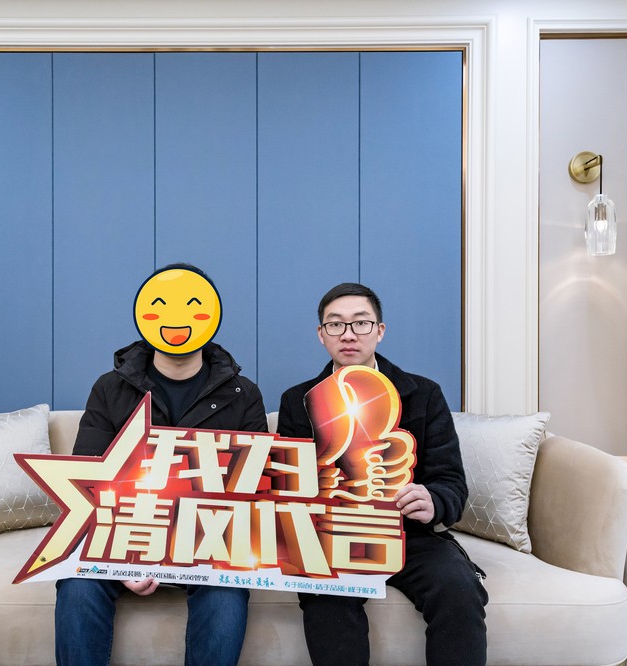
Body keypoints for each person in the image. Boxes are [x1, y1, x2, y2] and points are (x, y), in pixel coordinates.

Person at [54, 263, 269, 666]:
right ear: (144, 316)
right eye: (162, 305)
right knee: (77, 585)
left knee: (226, 593)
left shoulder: (244, 394)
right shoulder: (110, 388)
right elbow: (87, 479)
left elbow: (255, 490)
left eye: (191, 305)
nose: (176, 318)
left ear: (210, 317)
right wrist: (120, 559)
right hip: (126, 530)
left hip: (209, 538)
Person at [277, 282, 488, 666]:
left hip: (410, 535)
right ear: (321, 334)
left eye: (361, 323)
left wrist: (433, 500)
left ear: (380, 330)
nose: (349, 334)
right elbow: (287, 485)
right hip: (333, 537)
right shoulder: (298, 401)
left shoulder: (423, 394)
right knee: (324, 596)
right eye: (336, 325)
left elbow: (451, 481)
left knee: (458, 590)